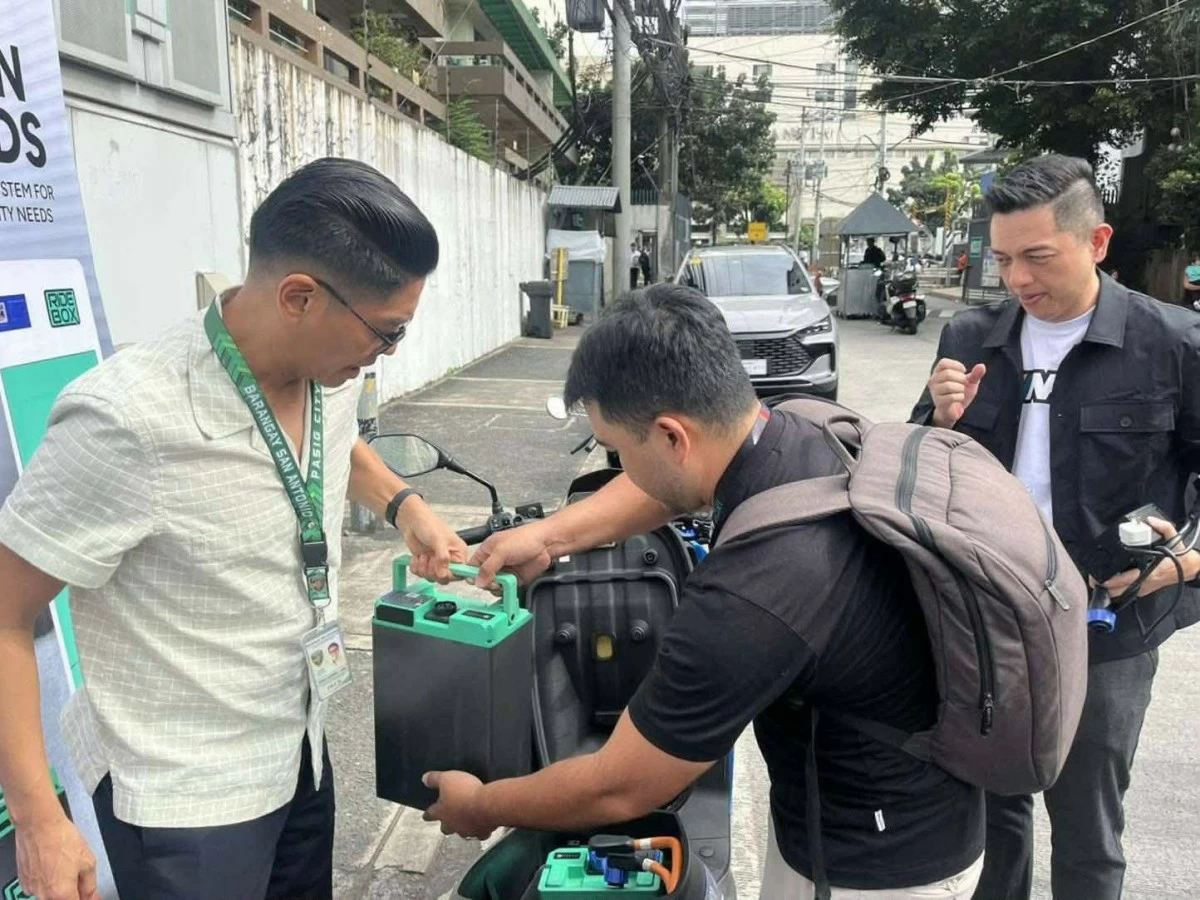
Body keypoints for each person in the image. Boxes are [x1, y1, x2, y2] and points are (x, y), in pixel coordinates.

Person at [0, 157, 467, 900]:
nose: (384, 355)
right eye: (386, 334)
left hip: (301, 748)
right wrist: (38, 820)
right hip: (189, 803)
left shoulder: (325, 375)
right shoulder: (127, 420)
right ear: (299, 297)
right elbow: (6, 613)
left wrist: (406, 508)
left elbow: (334, 441)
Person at [425, 284, 986, 899]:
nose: (623, 467)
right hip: (876, 801)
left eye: (619, 450)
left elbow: (623, 786)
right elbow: (665, 486)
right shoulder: (794, 427)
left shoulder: (752, 590)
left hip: (879, 865)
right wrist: (552, 537)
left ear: (672, 436)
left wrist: (482, 803)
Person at [910, 154, 1200, 900]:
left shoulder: (1171, 344)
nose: (1018, 279)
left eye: (1038, 257)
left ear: (1096, 242)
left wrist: (1182, 566)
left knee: (1087, 825)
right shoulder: (971, 338)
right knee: (995, 815)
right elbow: (917, 471)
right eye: (1004, 258)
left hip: (1110, 623)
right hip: (989, 615)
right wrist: (938, 418)